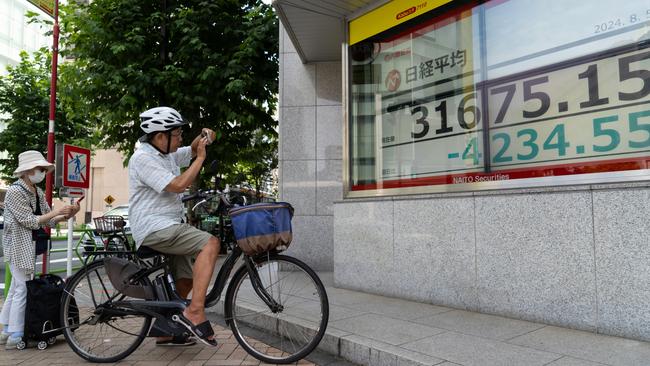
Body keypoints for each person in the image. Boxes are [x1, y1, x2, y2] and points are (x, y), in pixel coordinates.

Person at [128, 106, 219, 347]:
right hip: (154, 227)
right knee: (210, 244)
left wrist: (205, 139)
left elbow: (190, 150)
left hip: (169, 225)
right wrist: (201, 158)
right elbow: (178, 184)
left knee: (187, 277)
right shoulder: (143, 159)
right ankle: (195, 311)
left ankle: (166, 328)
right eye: (176, 134)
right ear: (160, 136)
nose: (180, 139)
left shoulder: (166, 153)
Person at [0, 150, 79, 349]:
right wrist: (56, 212)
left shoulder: (37, 191)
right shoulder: (15, 191)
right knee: (22, 288)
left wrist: (67, 214)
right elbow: (28, 220)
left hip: (30, 243)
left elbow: (49, 220)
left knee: (17, 288)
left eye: (44, 169)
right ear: (26, 171)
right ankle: (16, 334)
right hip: (18, 243)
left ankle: (7, 329)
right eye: (39, 168)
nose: (42, 172)